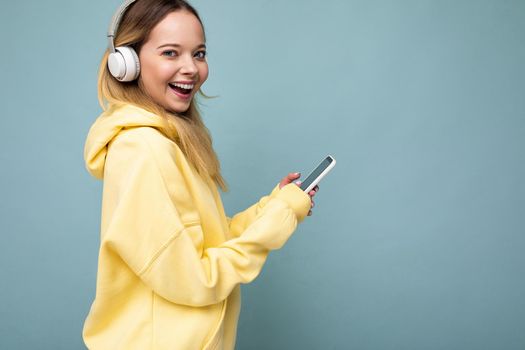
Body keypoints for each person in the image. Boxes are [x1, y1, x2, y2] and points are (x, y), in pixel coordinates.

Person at [82, 0, 319, 349]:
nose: (190, 68)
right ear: (126, 63)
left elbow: (207, 244)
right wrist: (280, 218)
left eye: (199, 54)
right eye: (170, 53)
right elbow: (196, 279)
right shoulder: (142, 150)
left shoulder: (168, 143)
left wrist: (274, 206)